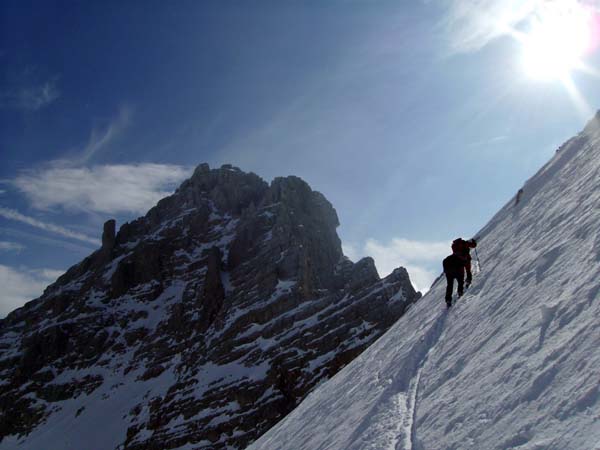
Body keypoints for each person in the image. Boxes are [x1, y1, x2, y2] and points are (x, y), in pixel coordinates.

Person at [442, 238, 478, 308]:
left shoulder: (454, 246)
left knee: (450, 285)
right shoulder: (464, 243)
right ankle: (463, 287)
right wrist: (474, 242)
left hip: (450, 267)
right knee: (463, 276)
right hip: (462, 261)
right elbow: (473, 245)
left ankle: (448, 300)